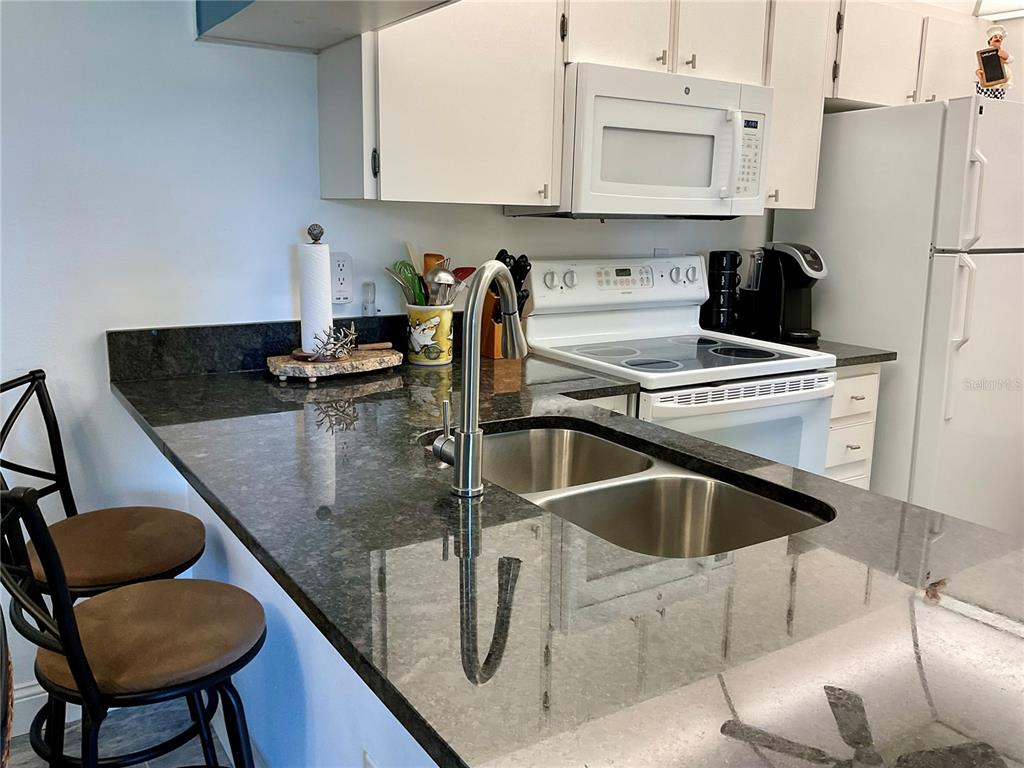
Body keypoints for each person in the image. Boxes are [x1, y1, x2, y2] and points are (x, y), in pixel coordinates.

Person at [976, 24, 1014, 99]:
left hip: (1001, 82)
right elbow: (979, 65)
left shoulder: (1002, 52)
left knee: (997, 102)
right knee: (985, 101)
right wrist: (978, 72)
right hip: (987, 81)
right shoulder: (983, 54)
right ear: (990, 40)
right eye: (995, 37)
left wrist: (1006, 56)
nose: (998, 39)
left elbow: (1010, 59)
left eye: (1000, 38)